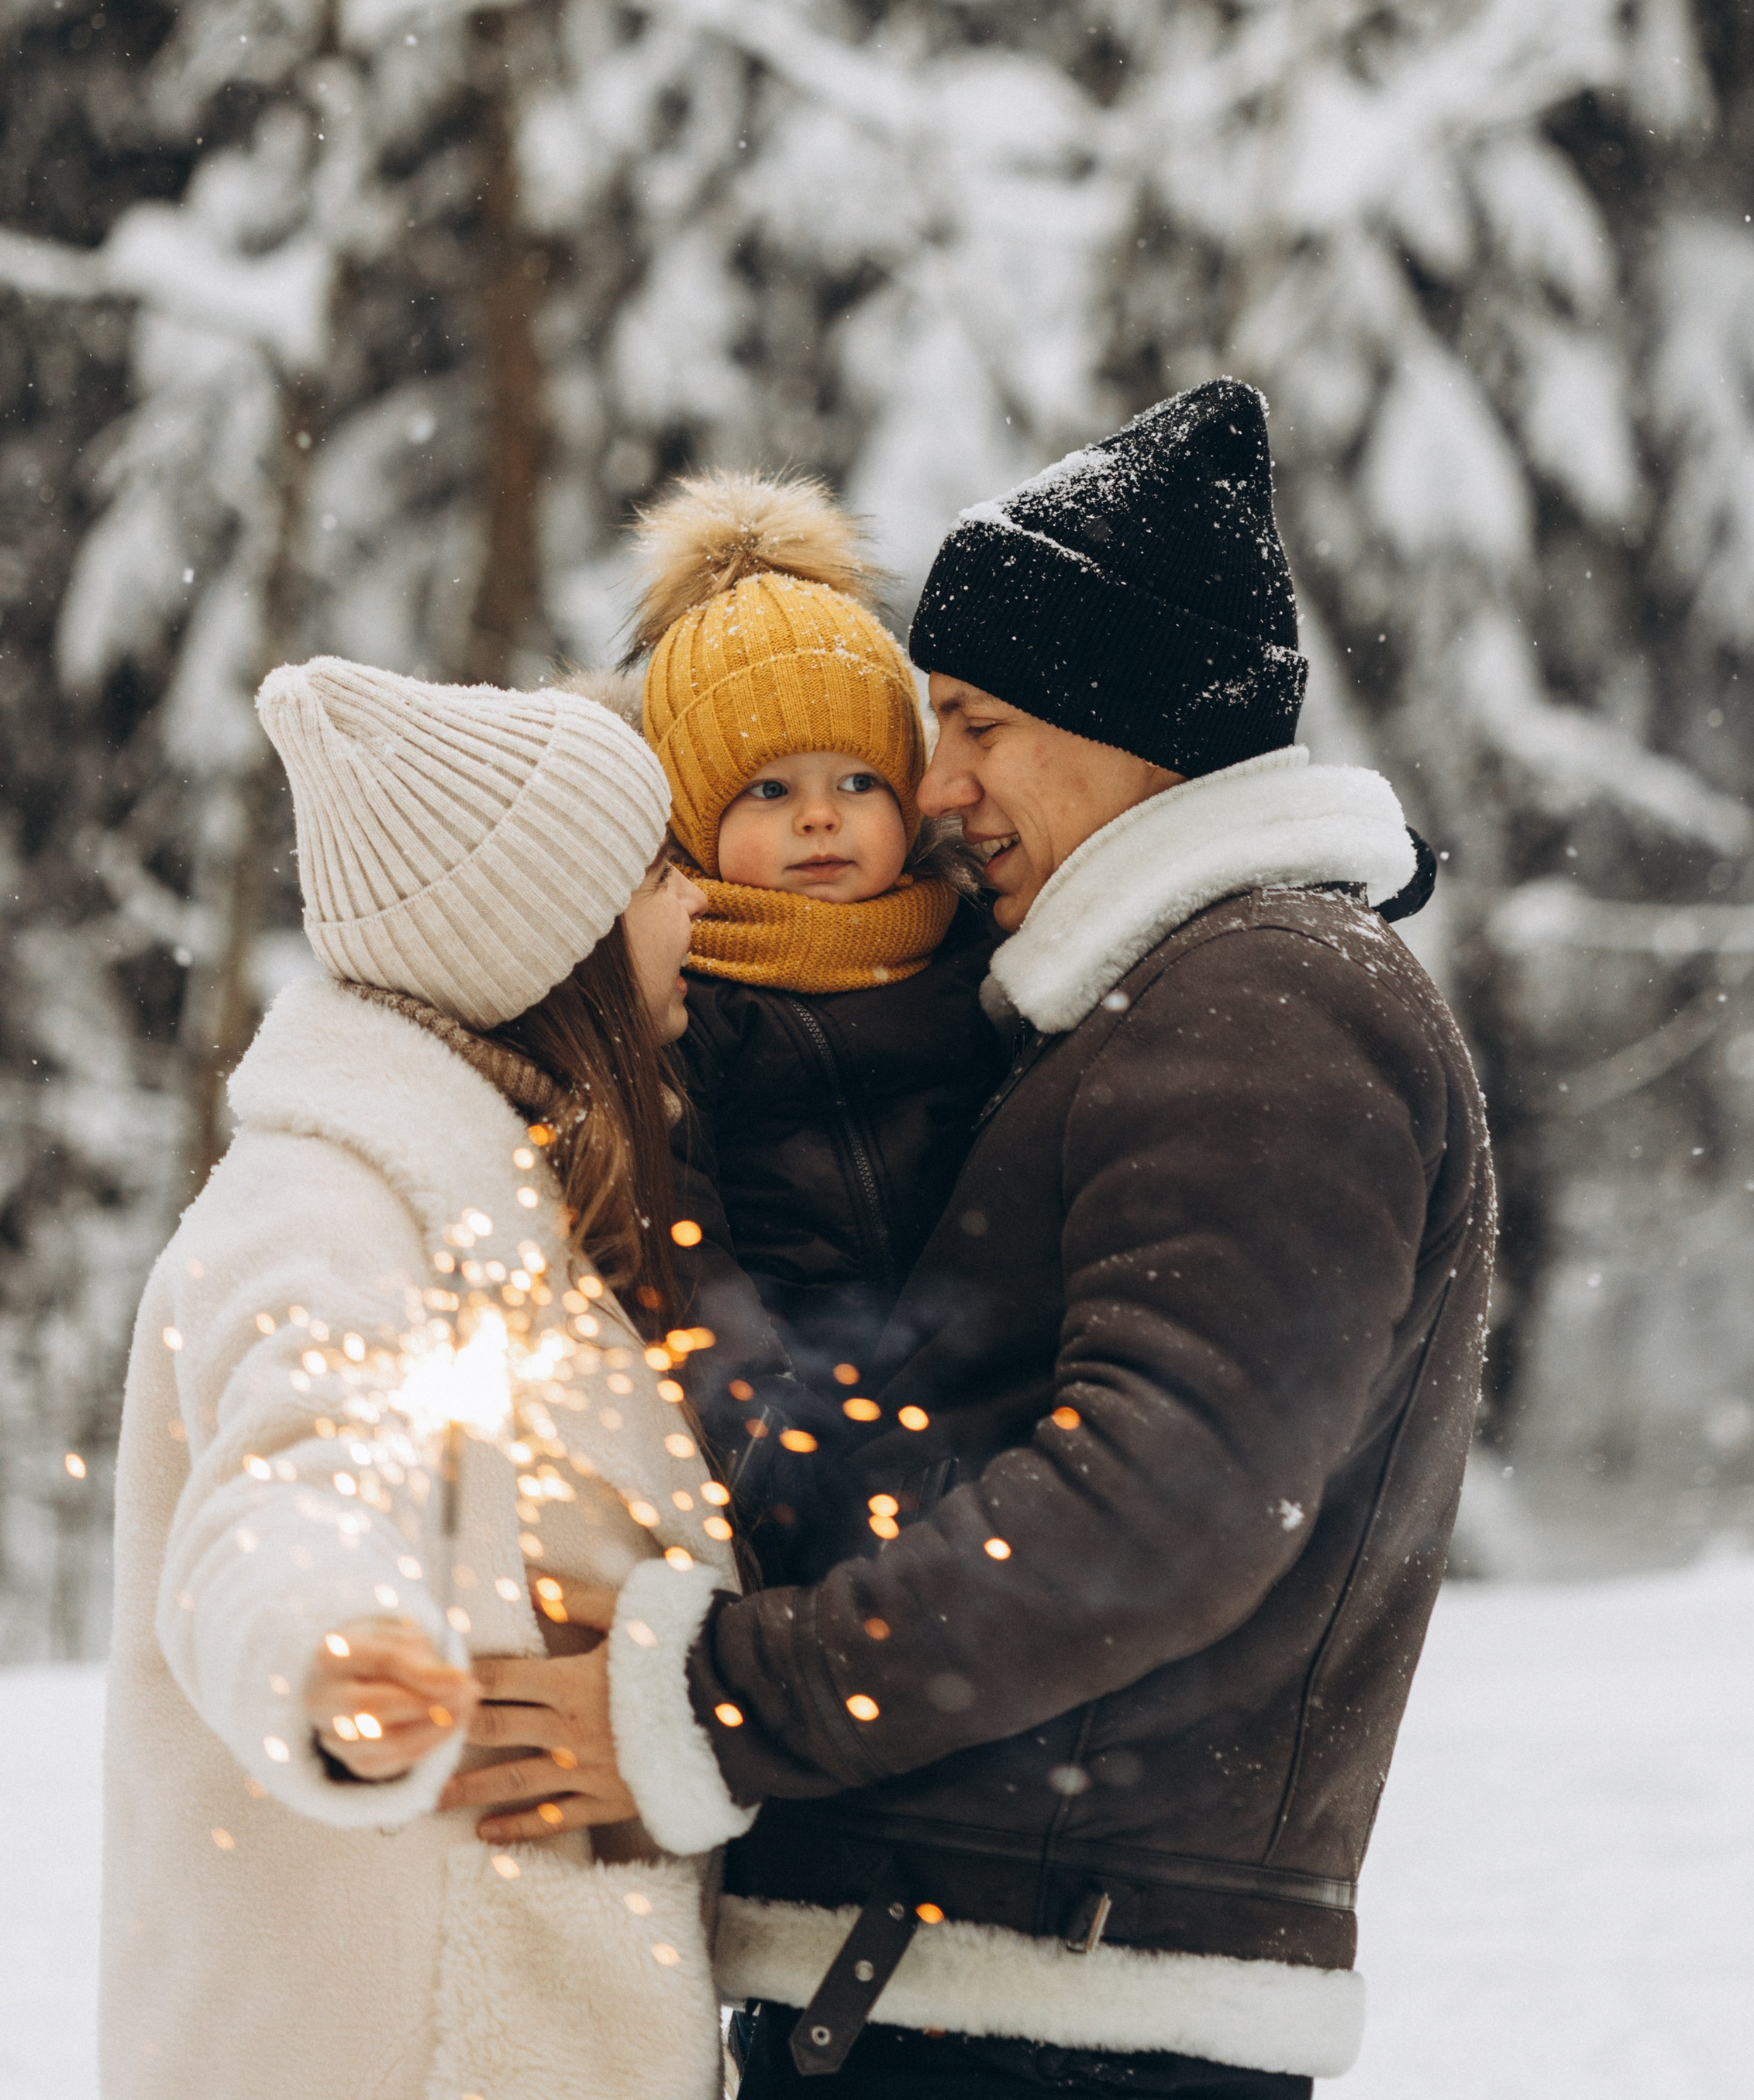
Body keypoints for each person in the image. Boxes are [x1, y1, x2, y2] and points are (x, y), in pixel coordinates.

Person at [523, 377, 1497, 2099]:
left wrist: (718, 1700)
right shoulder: (1140, 1004)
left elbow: (1153, 1511)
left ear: (1128, 722)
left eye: (972, 723)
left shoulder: (1265, 1004)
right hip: (980, 1981)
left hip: (1040, 2013)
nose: (937, 783)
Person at [100, 657, 733, 2100]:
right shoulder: (326, 1202)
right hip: (391, 2040)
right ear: (554, 938)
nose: (697, 899)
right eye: (656, 872)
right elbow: (292, 1476)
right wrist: (329, 1645)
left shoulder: (502, 1180)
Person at [625, 472, 1008, 1534]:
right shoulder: (692, 998)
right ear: (692, 821)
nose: (819, 820)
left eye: (857, 783)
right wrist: (754, 1414)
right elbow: (676, 1226)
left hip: (964, 1410)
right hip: (786, 1427)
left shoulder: (967, 953)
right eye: (770, 790)